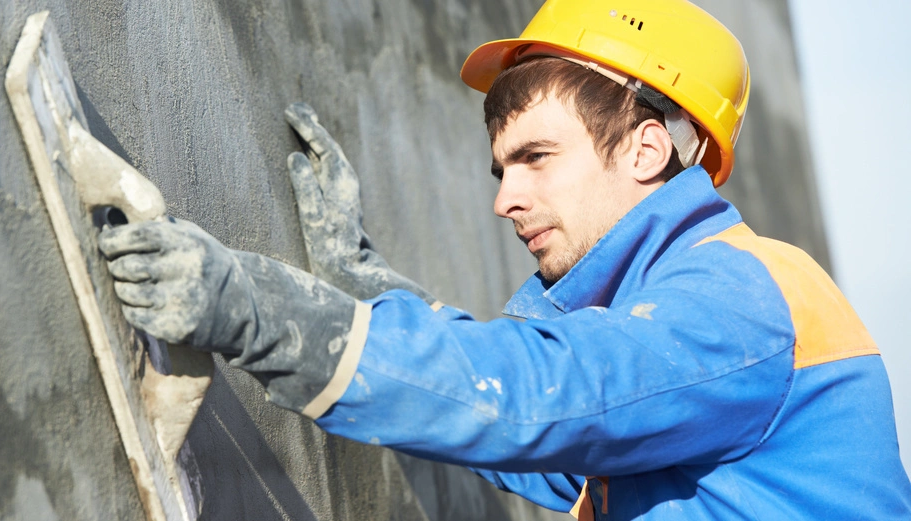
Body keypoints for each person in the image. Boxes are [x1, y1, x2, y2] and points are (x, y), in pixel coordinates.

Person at [98, 0, 911, 518]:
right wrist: (368, 288)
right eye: (501, 169)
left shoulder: (746, 294)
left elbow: (542, 396)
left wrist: (267, 314)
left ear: (646, 147)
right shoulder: (657, 324)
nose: (504, 199)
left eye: (537, 158)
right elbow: (546, 443)